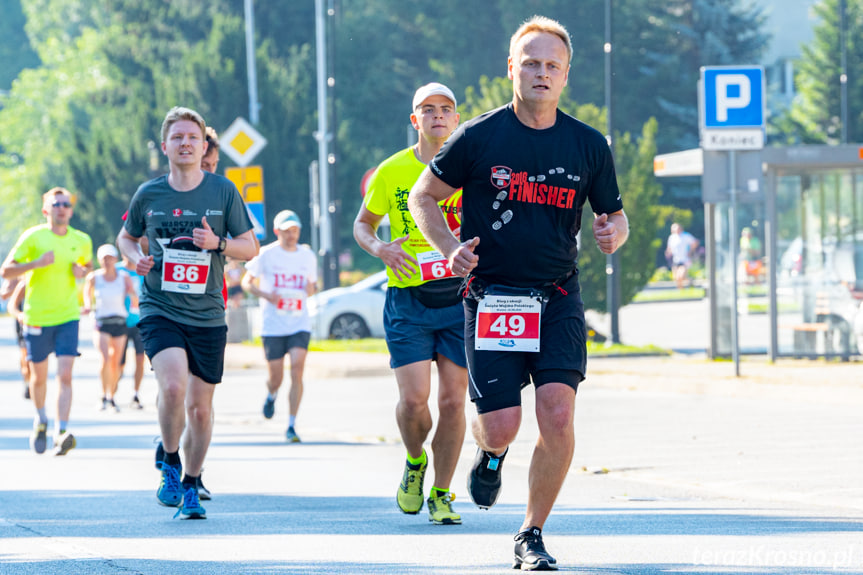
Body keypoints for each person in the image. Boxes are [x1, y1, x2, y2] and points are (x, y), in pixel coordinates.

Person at [409, 16, 629, 570]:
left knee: (557, 416)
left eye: (552, 65)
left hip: (557, 296)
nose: (541, 72)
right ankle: (490, 453)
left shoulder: (587, 144)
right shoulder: (480, 136)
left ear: (566, 74)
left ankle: (530, 533)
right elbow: (422, 197)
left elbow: (614, 215)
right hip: (492, 298)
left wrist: (613, 232)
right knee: (503, 424)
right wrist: (450, 245)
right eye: (530, 62)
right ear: (512, 68)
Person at [118, 106, 257, 520]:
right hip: (160, 306)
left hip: (208, 313)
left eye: (192, 138)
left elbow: (250, 248)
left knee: (200, 408)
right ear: (165, 146)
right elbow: (127, 238)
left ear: (203, 147)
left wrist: (218, 243)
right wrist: (133, 259)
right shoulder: (149, 193)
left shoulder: (222, 191)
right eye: (177, 137)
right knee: (174, 386)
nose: (185, 144)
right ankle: (171, 463)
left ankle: (193, 482)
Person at [353, 82, 468, 526]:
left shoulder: (472, 168)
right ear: (414, 120)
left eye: (446, 109)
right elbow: (364, 225)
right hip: (408, 299)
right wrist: (380, 248)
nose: (438, 116)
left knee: (455, 402)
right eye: (428, 109)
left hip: (460, 299)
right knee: (416, 401)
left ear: (456, 119)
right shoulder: (392, 170)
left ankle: (442, 492)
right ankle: (415, 460)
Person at [1, 187, 93, 456]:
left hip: (67, 316)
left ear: (71, 210)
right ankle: (41, 418)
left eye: (66, 204)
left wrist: (83, 270)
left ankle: (61, 431)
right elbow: (6, 270)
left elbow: (87, 267)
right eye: (56, 204)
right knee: (38, 377)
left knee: (65, 374)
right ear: (46, 210)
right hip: (37, 316)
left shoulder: (81, 239)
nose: (62, 208)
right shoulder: (33, 237)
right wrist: (36, 264)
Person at [242, 210, 317, 443]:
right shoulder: (266, 254)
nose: (291, 235)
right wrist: (265, 294)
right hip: (273, 325)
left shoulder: (307, 255)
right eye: (287, 231)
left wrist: (309, 290)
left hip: (298, 322)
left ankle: (292, 425)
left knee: (297, 368)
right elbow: (246, 282)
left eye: (295, 231)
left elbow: (312, 285)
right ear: (277, 232)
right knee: (276, 376)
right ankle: (272, 394)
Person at [83, 244, 137, 412]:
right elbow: (87, 293)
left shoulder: (123, 277)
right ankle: (103, 395)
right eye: (104, 258)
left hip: (120, 320)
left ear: (115, 259)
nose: (107, 261)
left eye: (110, 258)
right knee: (105, 358)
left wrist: (134, 299)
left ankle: (112, 396)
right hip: (102, 321)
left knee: (116, 362)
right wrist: (87, 306)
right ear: (100, 260)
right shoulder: (94, 277)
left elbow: (133, 295)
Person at [115, 251, 146, 410]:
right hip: (120, 321)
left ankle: (135, 394)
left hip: (140, 321)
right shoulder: (116, 269)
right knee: (119, 361)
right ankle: (111, 391)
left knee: (140, 359)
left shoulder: (144, 269)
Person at [1, 278, 31, 399]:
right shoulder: (18, 273)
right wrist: (19, 286)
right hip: (23, 320)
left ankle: (36, 382)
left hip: (42, 320)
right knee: (25, 354)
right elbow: (3, 295)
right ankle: (27, 381)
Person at [665, 223, 699, 289]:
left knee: (680, 276)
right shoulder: (672, 237)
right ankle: (682, 289)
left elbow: (695, 242)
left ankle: (684, 287)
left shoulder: (686, 236)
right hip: (676, 259)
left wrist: (690, 251)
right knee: (676, 278)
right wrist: (668, 252)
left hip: (685, 259)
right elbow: (669, 247)